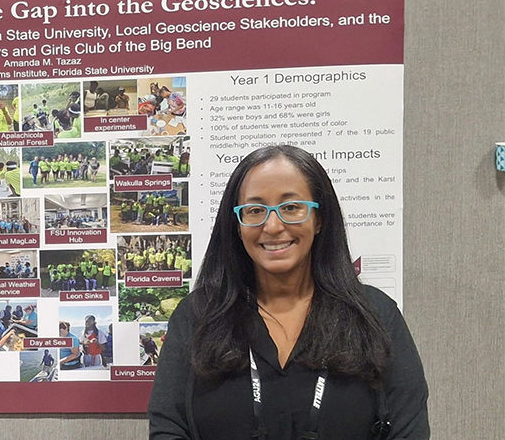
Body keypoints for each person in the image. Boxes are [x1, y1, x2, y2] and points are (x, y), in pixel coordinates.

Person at [148, 145, 429, 439]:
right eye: (255, 210)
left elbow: (408, 429)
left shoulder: (375, 315)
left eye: (291, 208)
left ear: (319, 219)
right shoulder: (198, 316)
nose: (273, 226)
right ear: (238, 225)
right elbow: (169, 427)